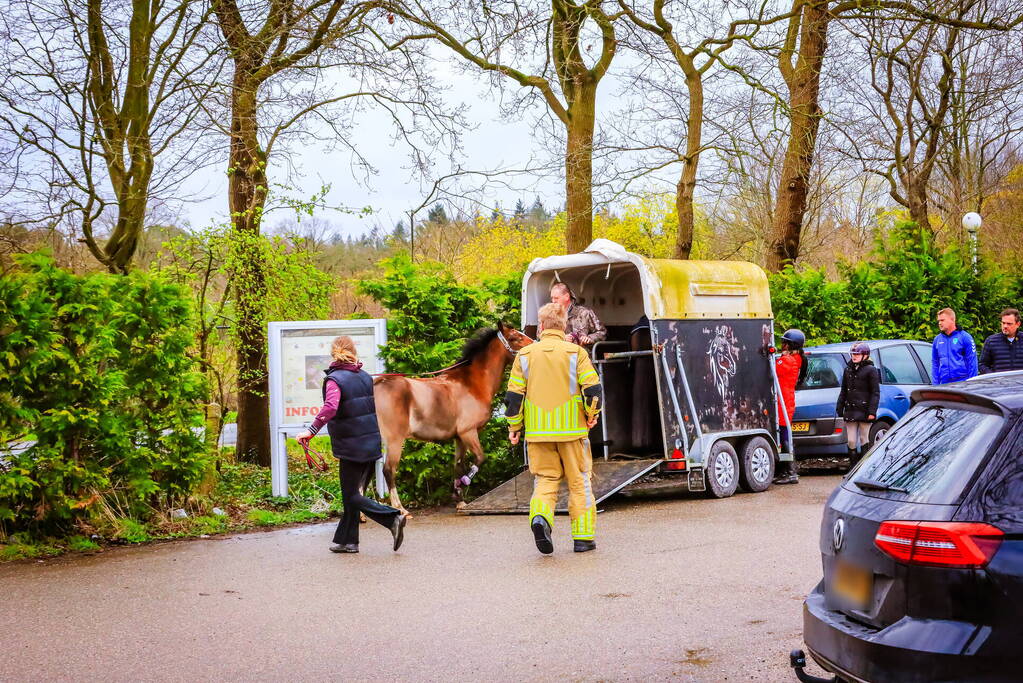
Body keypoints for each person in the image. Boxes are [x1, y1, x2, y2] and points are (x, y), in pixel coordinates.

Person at [505, 302, 603, 554]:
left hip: (538, 433)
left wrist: (514, 426)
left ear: (541, 326)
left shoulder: (524, 356)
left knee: (545, 481)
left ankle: (541, 519)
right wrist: (592, 415)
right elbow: (593, 390)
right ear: (563, 326)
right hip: (572, 432)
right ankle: (583, 539)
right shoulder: (576, 353)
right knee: (579, 482)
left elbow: (513, 397)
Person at [297, 336, 407, 554]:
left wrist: (311, 431)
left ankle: (392, 518)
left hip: (352, 446)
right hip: (370, 442)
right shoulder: (364, 377)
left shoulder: (334, 380)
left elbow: (331, 407)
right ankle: (348, 541)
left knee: (351, 496)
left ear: (333, 354)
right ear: (353, 352)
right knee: (352, 495)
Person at [836, 343, 881, 466]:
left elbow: (875, 393)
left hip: (865, 410)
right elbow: (843, 390)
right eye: (853, 354)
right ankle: (853, 467)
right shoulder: (848, 369)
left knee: (863, 438)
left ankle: (863, 467)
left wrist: (872, 412)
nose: (854, 356)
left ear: (865, 355)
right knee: (851, 441)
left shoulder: (871, 370)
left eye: (857, 354)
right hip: (850, 410)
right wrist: (840, 407)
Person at [773, 328, 807, 485]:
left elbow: (772, 369)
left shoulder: (788, 360)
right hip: (786, 399)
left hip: (783, 401)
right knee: (784, 435)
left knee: (785, 436)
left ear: (790, 345)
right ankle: (785, 471)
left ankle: (791, 472)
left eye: (784, 342)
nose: (782, 345)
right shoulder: (796, 358)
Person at [550, 282, 606, 349]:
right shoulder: (549, 315)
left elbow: (602, 332)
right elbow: (542, 336)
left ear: (567, 296)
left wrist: (589, 338)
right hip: (559, 354)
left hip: (582, 354)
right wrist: (561, 338)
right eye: (552, 298)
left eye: (556, 298)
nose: (553, 301)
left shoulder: (585, 313)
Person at [931, 308, 978, 384]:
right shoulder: (937, 340)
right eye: (939, 321)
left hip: (962, 383)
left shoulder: (965, 337)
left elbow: (972, 362)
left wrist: (972, 383)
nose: (939, 323)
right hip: (944, 384)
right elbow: (935, 363)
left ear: (952, 320)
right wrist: (935, 385)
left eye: (942, 320)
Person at [979, 308, 1023, 374]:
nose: (1005, 326)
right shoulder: (991, 341)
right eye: (1003, 323)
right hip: (999, 380)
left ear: (1018, 324)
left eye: (1009, 324)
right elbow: (982, 365)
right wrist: (993, 376)